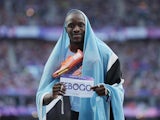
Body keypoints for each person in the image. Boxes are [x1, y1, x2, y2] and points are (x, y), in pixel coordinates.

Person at [36, 9, 125, 120]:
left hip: (96, 115)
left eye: (81, 25)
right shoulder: (60, 57)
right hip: (70, 114)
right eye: (71, 25)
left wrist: (107, 91)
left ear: (87, 27)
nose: (76, 29)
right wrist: (52, 95)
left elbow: (118, 89)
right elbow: (42, 95)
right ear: (65, 29)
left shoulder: (106, 55)